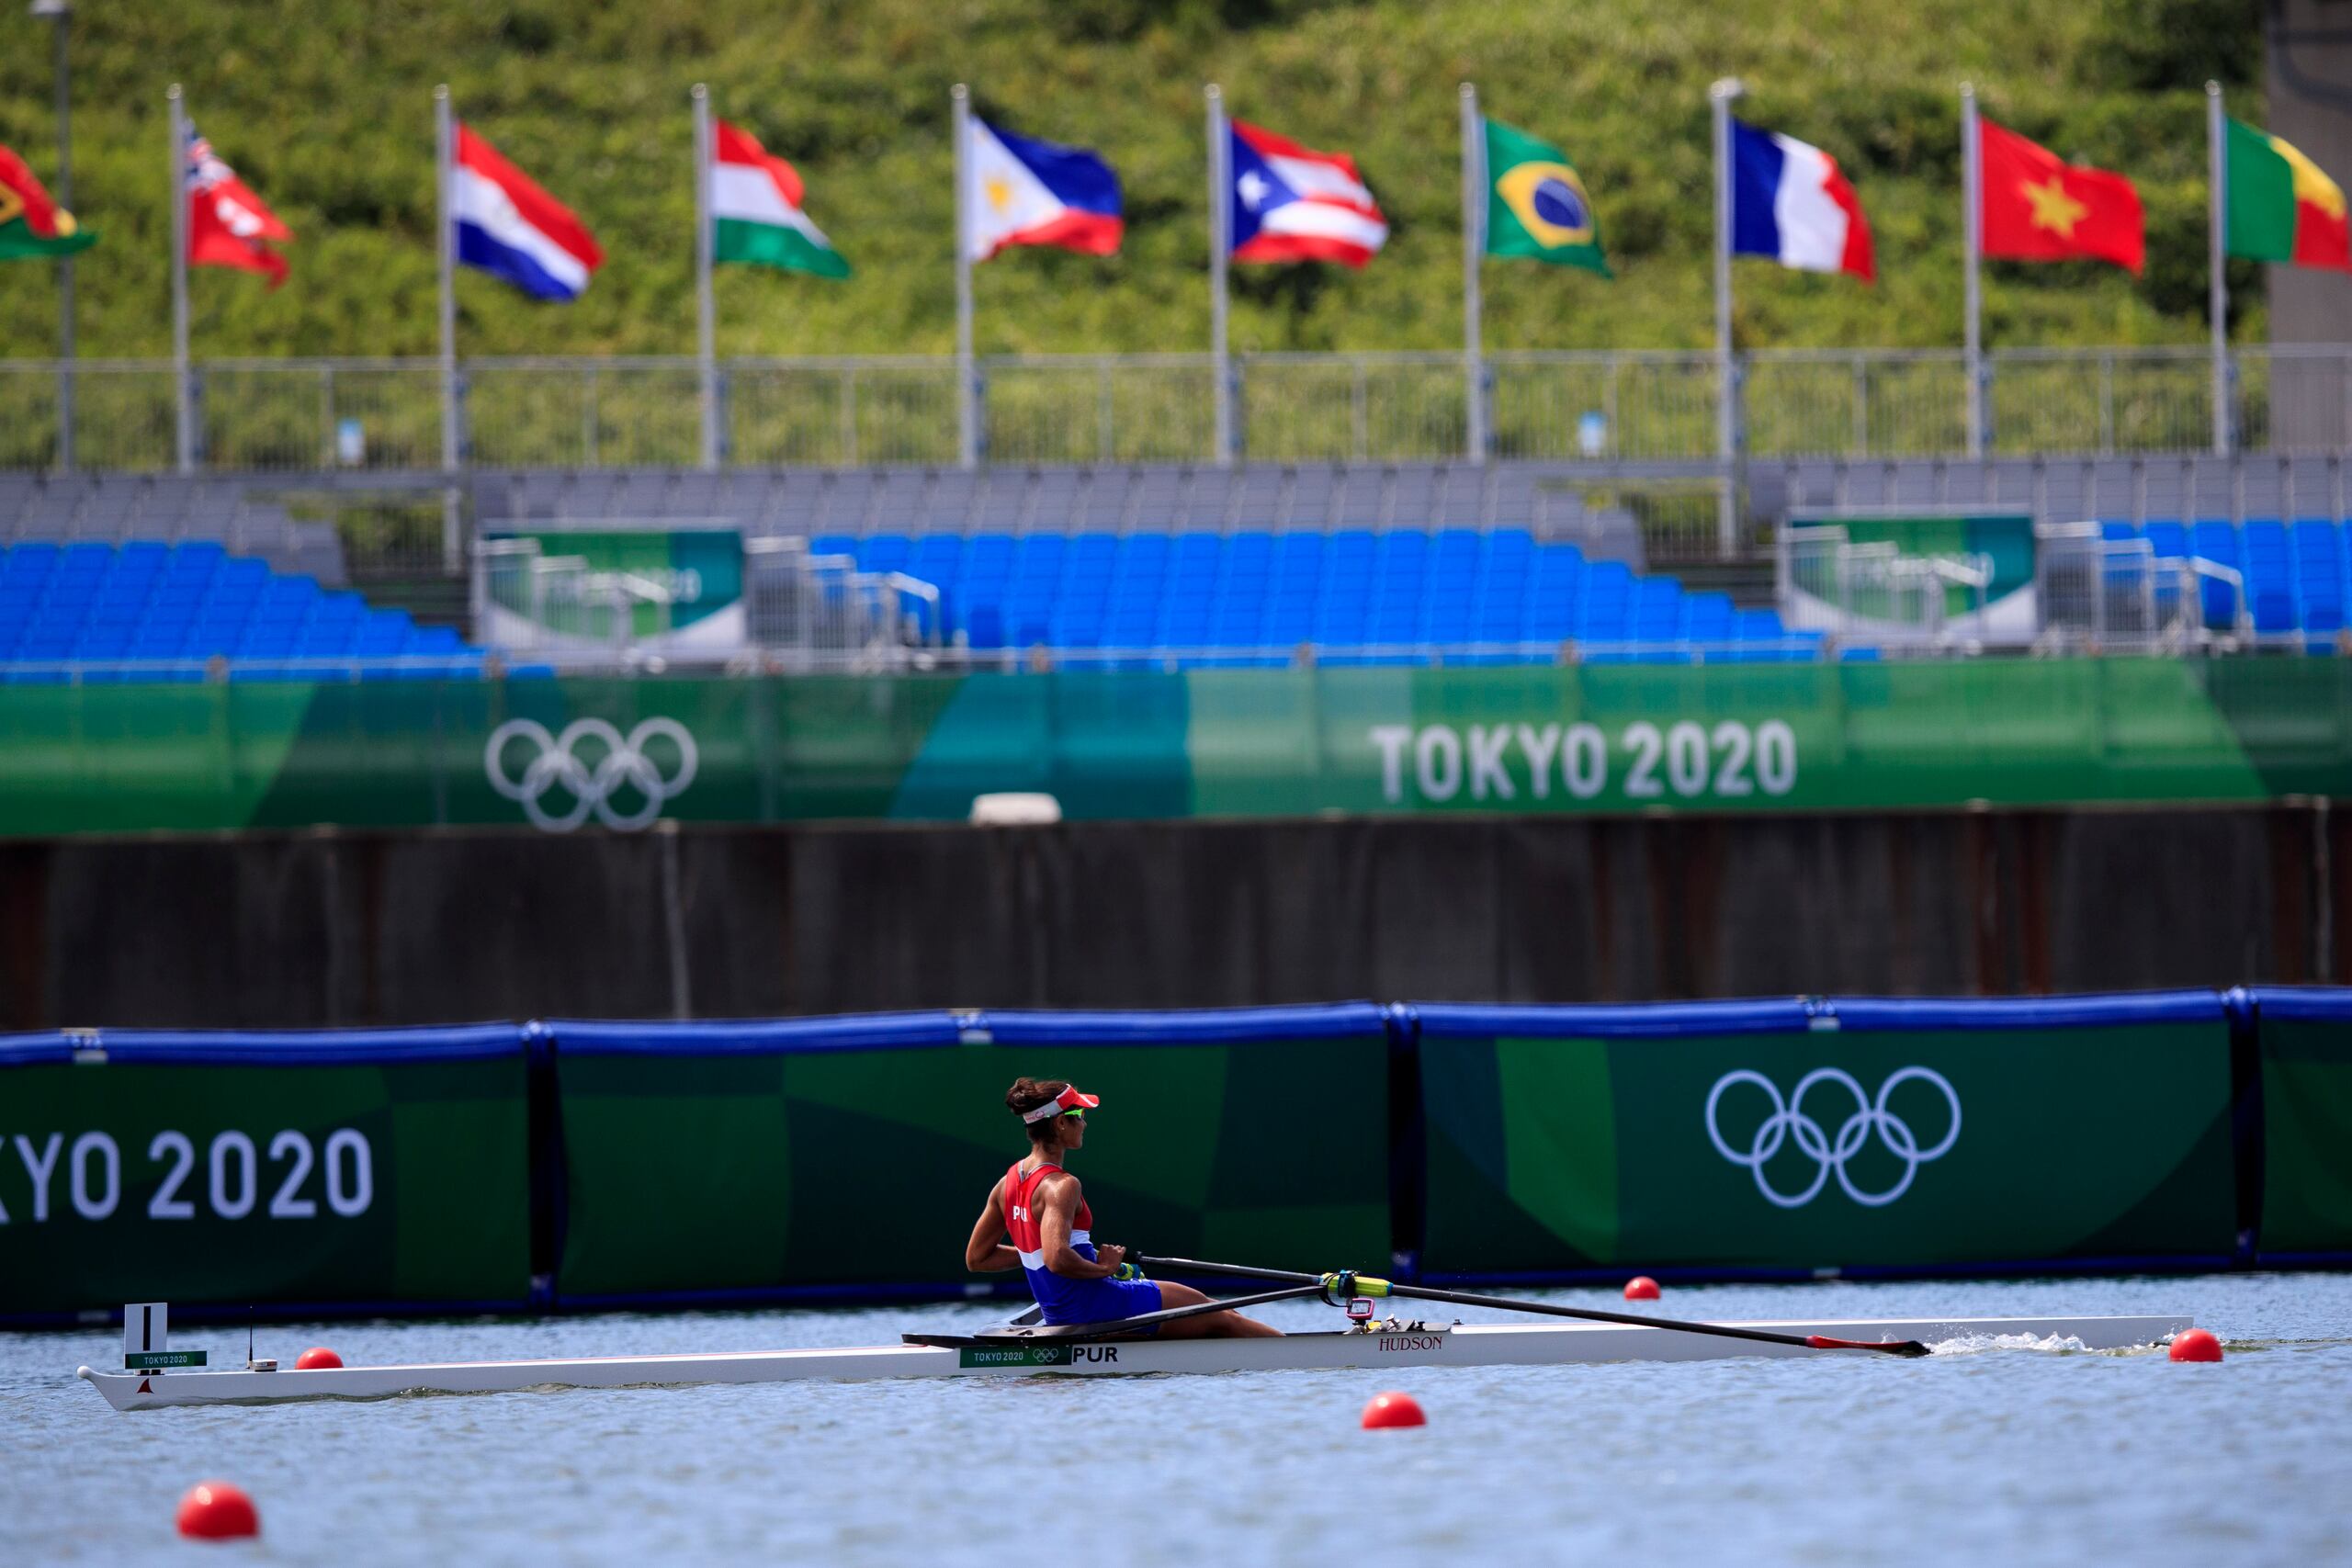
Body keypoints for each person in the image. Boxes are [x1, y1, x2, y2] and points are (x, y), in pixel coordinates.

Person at [965, 1077, 1282, 1337]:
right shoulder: (1062, 1186)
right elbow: (1057, 1258)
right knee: (1220, 1314)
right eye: (1080, 1116)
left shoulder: (1007, 1184)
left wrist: (1036, 1254)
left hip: (1064, 1308)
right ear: (1061, 1123)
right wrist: (1104, 1268)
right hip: (1094, 1304)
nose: (1085, 1124)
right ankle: (1296, 1356)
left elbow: (978, 1258)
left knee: (1211, 1311)